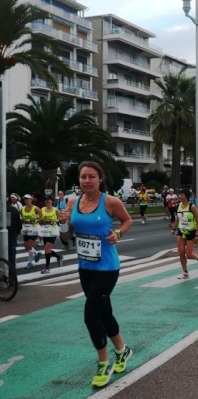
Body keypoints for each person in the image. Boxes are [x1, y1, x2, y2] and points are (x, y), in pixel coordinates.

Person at [59, 161, 133, 388]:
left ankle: (103, 363)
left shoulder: (110, 202)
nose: (87, 181)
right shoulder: (72, 202)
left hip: (107, 267)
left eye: (92, 176)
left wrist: (118, 234)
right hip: (85, 267)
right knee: (104, 312)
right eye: (83, 177)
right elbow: (65, 238)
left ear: (100, 179)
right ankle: (122, 350)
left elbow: (127, 220)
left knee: (91, 316)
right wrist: (63, 223)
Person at [170, 188, 198, 279]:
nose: (180, 196)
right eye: (179, 195)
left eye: (182, 195)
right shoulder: (178, 205)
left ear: (187, 196)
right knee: (181, 253)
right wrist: (174, 228)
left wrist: (197, 234)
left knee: (189, 255)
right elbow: (178, 218)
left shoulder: (192, 206)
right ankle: (185, 272)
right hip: (181, 231)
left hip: (191, 232)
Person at [39, 195, 63, 274]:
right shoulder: (42, 209)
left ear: (52, 201)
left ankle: (47, 268)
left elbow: (61, 219)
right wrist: (41, 219)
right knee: (47, 250)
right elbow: (39, 221)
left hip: (53, 231)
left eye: (48, 200)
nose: (47, 202)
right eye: (45, 200)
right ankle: (58, 257)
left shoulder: (55, 210)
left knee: (47, 248)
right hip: (45, 231)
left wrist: (55, 220)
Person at [20, 194, 41, 269]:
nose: (26, 200)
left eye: (28, 199)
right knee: (26, 247)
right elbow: (21, 216)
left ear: (31, 200)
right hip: (25, 229)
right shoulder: (22, 208)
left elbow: (41, 215)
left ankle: (30, 262)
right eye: (25, 199)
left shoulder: (35, 208)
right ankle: (36, 253)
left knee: (29, 246)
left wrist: (35, 218)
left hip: (34, 229)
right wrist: (21, 219)